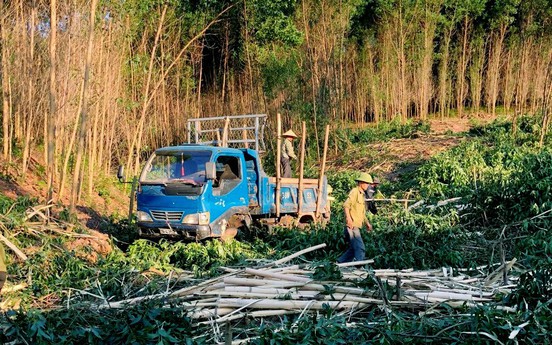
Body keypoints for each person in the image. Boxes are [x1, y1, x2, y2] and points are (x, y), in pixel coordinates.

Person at [337, 172, 374, 263]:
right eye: (366, 183)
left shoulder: (362, 195)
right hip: (352, 225)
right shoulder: (355, 192)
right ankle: (359, 266)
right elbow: (346, 205)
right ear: (361, 183)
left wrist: (367, 223)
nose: (368, 185)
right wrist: (348, 219)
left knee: (354, 248)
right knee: (360, 247)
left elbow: (362, 213)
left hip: (357, 225)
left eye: (368, 183)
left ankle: (339, 263)